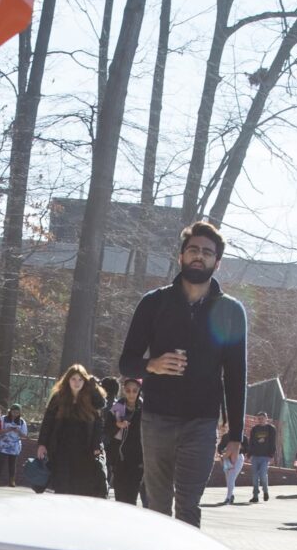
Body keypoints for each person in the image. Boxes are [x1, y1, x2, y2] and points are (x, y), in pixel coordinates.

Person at [117, 220, 248, 527]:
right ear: (180, 257)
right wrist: (152, 365)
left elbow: (236, 375)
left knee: (188, 506)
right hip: (156, 419)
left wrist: (236, 435)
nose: (198, 256)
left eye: (206, 252)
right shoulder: (154, 302)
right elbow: (127, 363)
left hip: (201, 424)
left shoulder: (230, 311)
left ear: (217, 261)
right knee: (156, 504)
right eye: (192, 250)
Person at [36, 364, 111, 497]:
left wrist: (96, 445)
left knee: (81, 488)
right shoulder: (58, 398)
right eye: (73, 379)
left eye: (80, 379)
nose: (76, 383)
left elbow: (98, 423)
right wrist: (42, 444)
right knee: (62, 488)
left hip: (84, 452)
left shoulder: (90, 400)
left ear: (85, 381)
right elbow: (48, 422)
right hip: (61, 451)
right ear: (67, 380)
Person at [108, 377, 144, 505]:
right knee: (120, 496)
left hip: (137, 460)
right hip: (119, 459)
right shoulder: (116, 408)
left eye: (134, 391)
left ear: (139, 391)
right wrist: (117, 426)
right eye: (128, 390)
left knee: (131, 496)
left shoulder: (143, 409)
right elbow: (106, 432)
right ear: (124, 390)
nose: (131, 394)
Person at [246, 415, 279, 502]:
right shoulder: (254, 429)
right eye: (259, 419)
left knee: (263, 475)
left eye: (262, 418)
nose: (261, 420)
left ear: (266, 419)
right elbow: (251, 442)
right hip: (255, 456)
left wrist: (272, 456)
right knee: (254, 476)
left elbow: (273, 442)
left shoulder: (270, 428)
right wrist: (249, 454)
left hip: (265, 456)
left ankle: (265, 491)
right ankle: (255, 496)